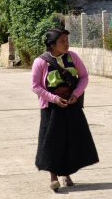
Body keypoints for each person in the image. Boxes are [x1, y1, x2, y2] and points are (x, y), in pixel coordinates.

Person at [31, 28, 99, 192]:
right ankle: (54, 176)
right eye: (62, 41)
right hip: (52, 108)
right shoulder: (41, 62)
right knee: (53, 142)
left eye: (67, 41)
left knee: (72, 139)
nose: (66, 44)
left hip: (72, 105)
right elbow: (35, 86)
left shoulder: (73, 57)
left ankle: (67, 173)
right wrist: (54, 98)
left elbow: (84, 76)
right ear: (52, 44)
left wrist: (76, 94)